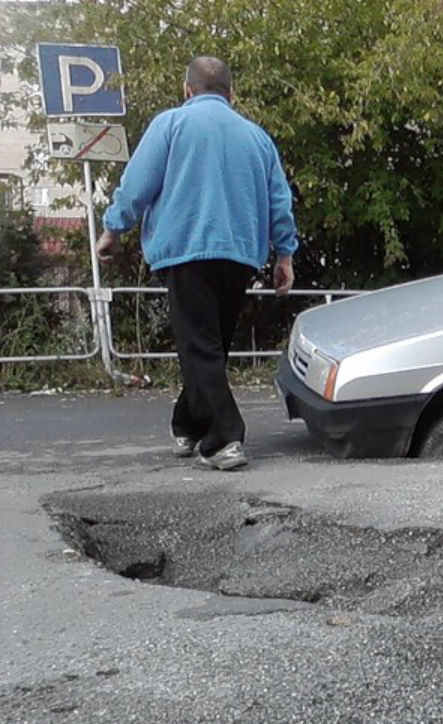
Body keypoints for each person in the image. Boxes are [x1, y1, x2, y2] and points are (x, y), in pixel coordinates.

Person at [97, 56, 299, 471]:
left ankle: (225, 439)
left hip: (188, 250)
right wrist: (285, 253)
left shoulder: (170, 124)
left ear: (187, 89)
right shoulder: (256, 137)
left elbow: (137, 184)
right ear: (231, 93)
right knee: (212, 347)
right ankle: (186, 424)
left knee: (200, 348)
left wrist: (113, 229)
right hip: (240, 254)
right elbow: (279, 199)